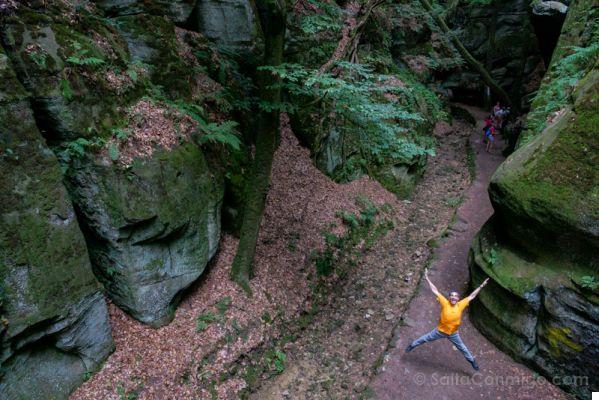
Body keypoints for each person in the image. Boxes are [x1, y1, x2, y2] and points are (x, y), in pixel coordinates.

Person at [405, 268, 490, 371]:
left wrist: (481, 286)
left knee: (463, 348)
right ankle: (412, 345)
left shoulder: (460, 305)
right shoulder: (445, 303)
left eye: (456, 296)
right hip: (440, 331)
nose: (454, 298)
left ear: (458, 298)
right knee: (425, 338)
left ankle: (472, 361)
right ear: (449, 298)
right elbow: (435, 291)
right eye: (452, 296)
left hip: (453, 333)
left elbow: (472, 296)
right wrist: (427, 278)